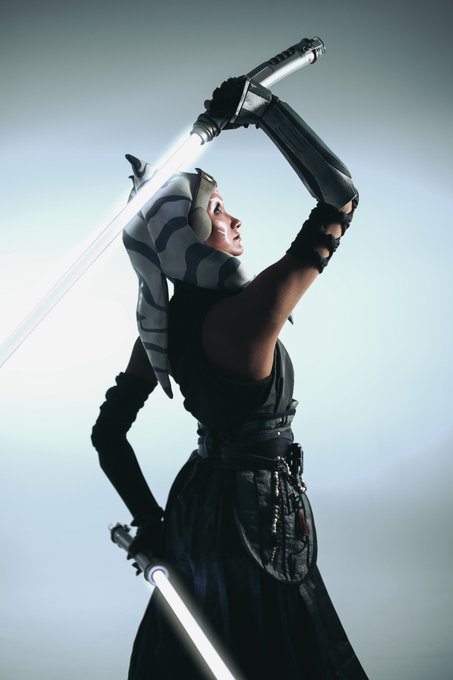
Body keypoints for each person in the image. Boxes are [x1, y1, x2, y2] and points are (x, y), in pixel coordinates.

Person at [91, 77, 368, 679]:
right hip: (259, 517)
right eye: (216, 209)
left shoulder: (162, 331)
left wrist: (153, 523)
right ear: (186, 232)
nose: (234, 218)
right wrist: (265, 110)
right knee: (286, 648)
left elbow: (107, 434)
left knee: (203, 644)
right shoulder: (246, 317)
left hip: (194, 508)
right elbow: (341, 197)